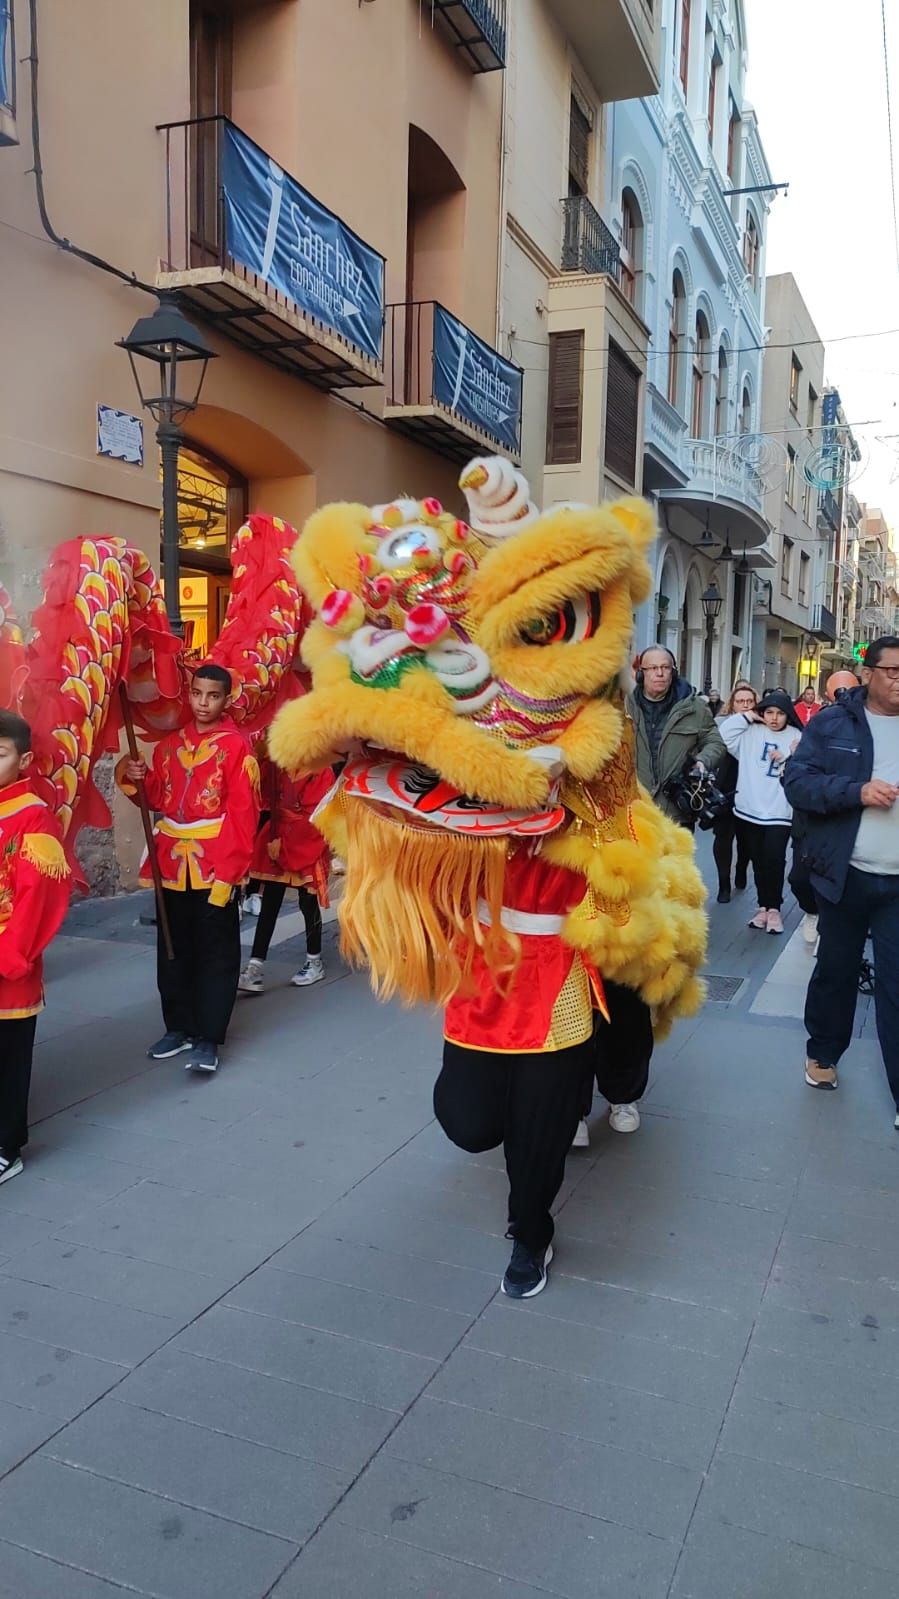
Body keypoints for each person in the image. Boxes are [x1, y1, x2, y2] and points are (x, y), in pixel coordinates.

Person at [116, 662, 259, 1074]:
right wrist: (136, 777)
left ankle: (209, 1036)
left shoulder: (237, 749)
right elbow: (158, 800)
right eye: (197, 693)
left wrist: (230, 875)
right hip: (171, 865)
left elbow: (242, 817)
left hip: (214, 864)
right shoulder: (169, 746)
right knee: (172, 949)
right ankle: (177, 1026)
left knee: (216, 952)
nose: (203, 702)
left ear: (225, 699)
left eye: (213, 695)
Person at [782, 636, 899, 1112]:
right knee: (837, 969)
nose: (898, 680)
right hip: (844, 874)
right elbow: (797, 782)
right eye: (891, 671)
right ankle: (824, 1053)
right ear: (868, 673)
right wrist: (857, 791)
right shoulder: (834, 723)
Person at [0, 710, 72, 1185]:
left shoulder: (33, 817)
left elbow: (38, 897)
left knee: (8, 1059)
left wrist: (11, 955)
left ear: (23, 759)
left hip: (8, 963)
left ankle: (8, 1145)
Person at [239, 759, 332, 993]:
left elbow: (318, 813)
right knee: (269, 902)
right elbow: (265, 799)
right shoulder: (277, 766)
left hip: (306, 838)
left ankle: (314, 961)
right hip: (277, 836)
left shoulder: (321, 769)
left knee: (307, 902)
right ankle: (255, 966)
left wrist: (287, 841)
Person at [720, 689, 803, 934]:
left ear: (788, 715)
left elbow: (809, 763)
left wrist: (790, 755)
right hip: (748, 809)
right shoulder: (748, 734)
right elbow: (723, 735)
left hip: (779, 811)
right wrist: (747, 717)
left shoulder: (797, 736)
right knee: (757, 859)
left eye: (779, 713)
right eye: (769, 712)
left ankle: (775, 908)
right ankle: (762, 907)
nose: (774, 718)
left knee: (775, 860)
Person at [627, 646, 725, 825]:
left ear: (673, 672)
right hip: (634, 811)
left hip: (676, 812)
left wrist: (702, 761)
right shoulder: (624, 706)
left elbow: (715, 742)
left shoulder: (694, 707)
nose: (660, 673)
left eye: (665, 668)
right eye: (653, 668)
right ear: (641, 674)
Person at [712, 681, 757, 902]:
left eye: (749, 701)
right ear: (733, 704)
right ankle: (723, 885)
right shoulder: (722, 723)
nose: (745, 705)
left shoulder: (762, 726)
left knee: (747, 840)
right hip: (726, 786)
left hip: (751, 788)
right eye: (740, 701)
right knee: (723, 837)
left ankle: (741, 868)